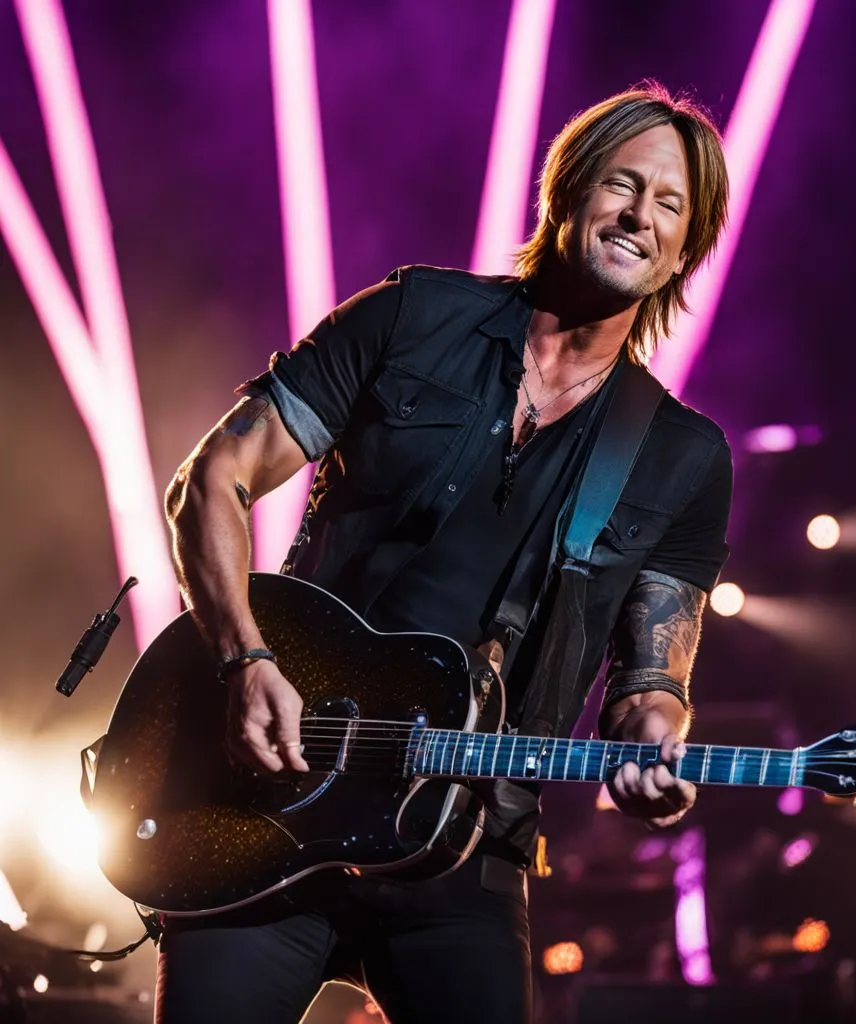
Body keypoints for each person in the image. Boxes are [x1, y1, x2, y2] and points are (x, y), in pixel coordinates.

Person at [157, 81, 732, 1024]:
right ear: (568, 194)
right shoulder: (413, 316)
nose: (640, 216)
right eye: (623, 186)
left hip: (465, 849)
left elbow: (649, 682)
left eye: (671, 205)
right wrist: (244, 661)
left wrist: (653, 744)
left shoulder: (682, 456)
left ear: (685, 249)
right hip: (268, 803)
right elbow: (211, 480)